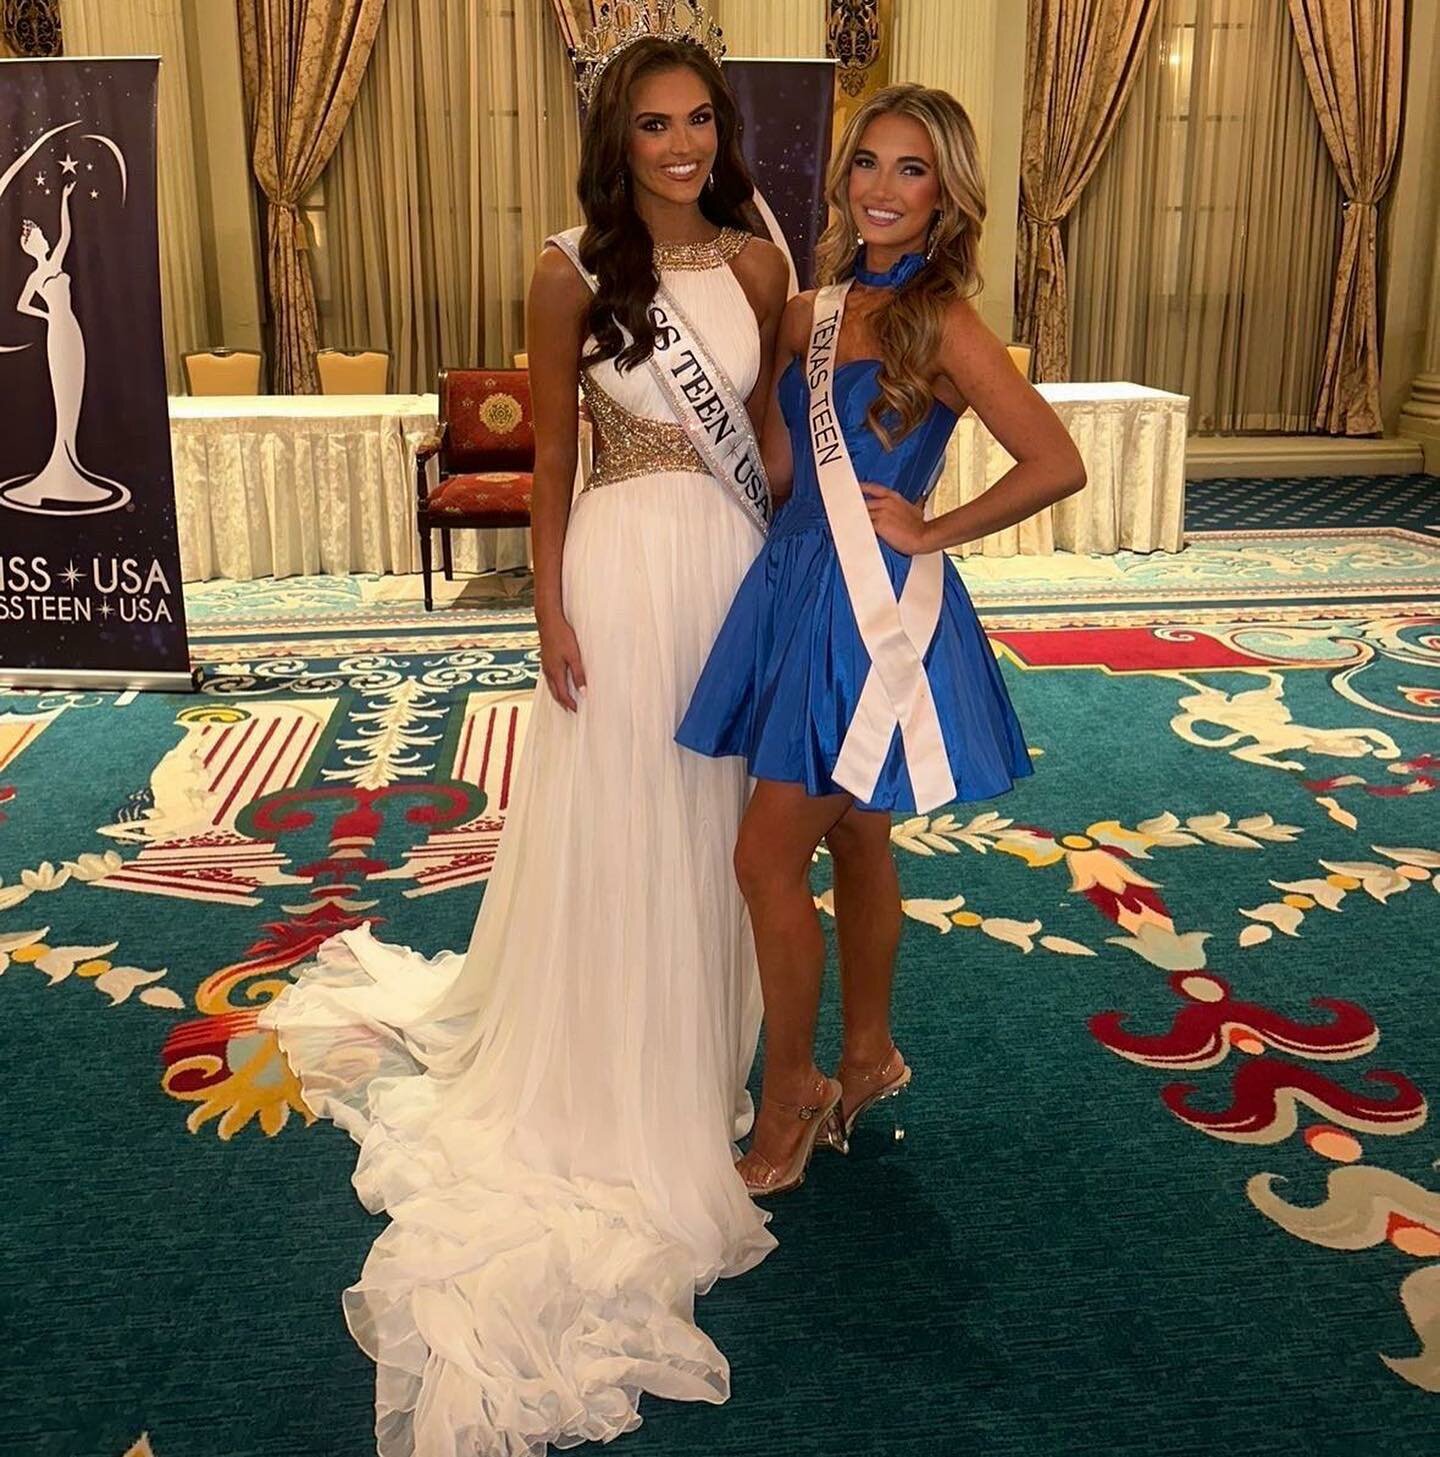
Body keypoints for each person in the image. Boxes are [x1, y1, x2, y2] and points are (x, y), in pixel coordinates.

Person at [260, 24, 790, 1455]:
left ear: (720, 132)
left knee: (720, 823)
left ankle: (703, 1047)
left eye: (698, 124)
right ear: (617, 143)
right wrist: (548, 609)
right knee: (630, 814)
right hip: (620, 575)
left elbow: (768, 433)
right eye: (654, 128)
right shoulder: (568, 270)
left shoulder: (757, 263)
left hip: (733, 577)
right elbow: (553, 452)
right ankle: (614, 1069)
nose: (681, 147)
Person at [677, 84, 1086, 1195]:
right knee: (856, 832)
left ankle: (793, 1085)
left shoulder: (945, 320)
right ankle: (869, 1052)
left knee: (765, 854)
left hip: (872, 607)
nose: (883, 188)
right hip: (796, 584)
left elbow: (1056, 460)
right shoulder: (810, 308)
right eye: (868, 162)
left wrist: (936, 525)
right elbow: (772, 458)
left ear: (947, 192)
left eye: (912, 169)